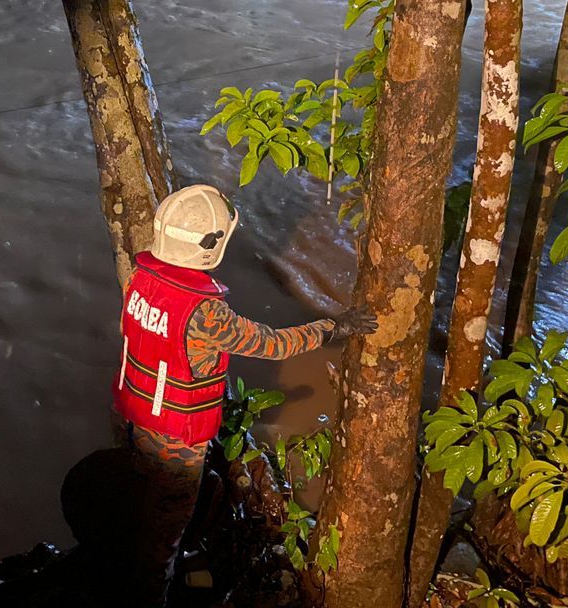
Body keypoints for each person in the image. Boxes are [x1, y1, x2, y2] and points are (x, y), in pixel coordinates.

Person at [110, 183, 378, 604]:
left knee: (146, 508)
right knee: (162, 538)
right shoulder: (205, 312)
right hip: (177, 437)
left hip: (135, 418)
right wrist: (332, 327)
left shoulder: (140, 279)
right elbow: (271, 343)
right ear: (209, 247)